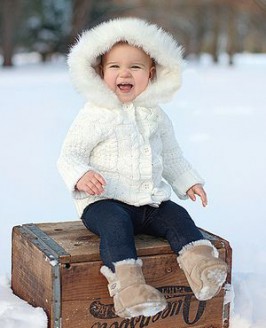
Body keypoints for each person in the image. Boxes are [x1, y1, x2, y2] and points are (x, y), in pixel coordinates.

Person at [57, 17, 227, 319]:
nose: (125, 73)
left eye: (135, 67)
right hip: (104, 203)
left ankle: (202, 268)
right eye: (115, 67)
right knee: (116, 226)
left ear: (151, 74)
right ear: (99, 72)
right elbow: (69, 156)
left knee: (177, 215)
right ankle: (128, 288)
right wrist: (81, 176)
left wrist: (188, 182)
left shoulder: (156, 116)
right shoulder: (96, 114)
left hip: (149, 200)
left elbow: (172, 155)